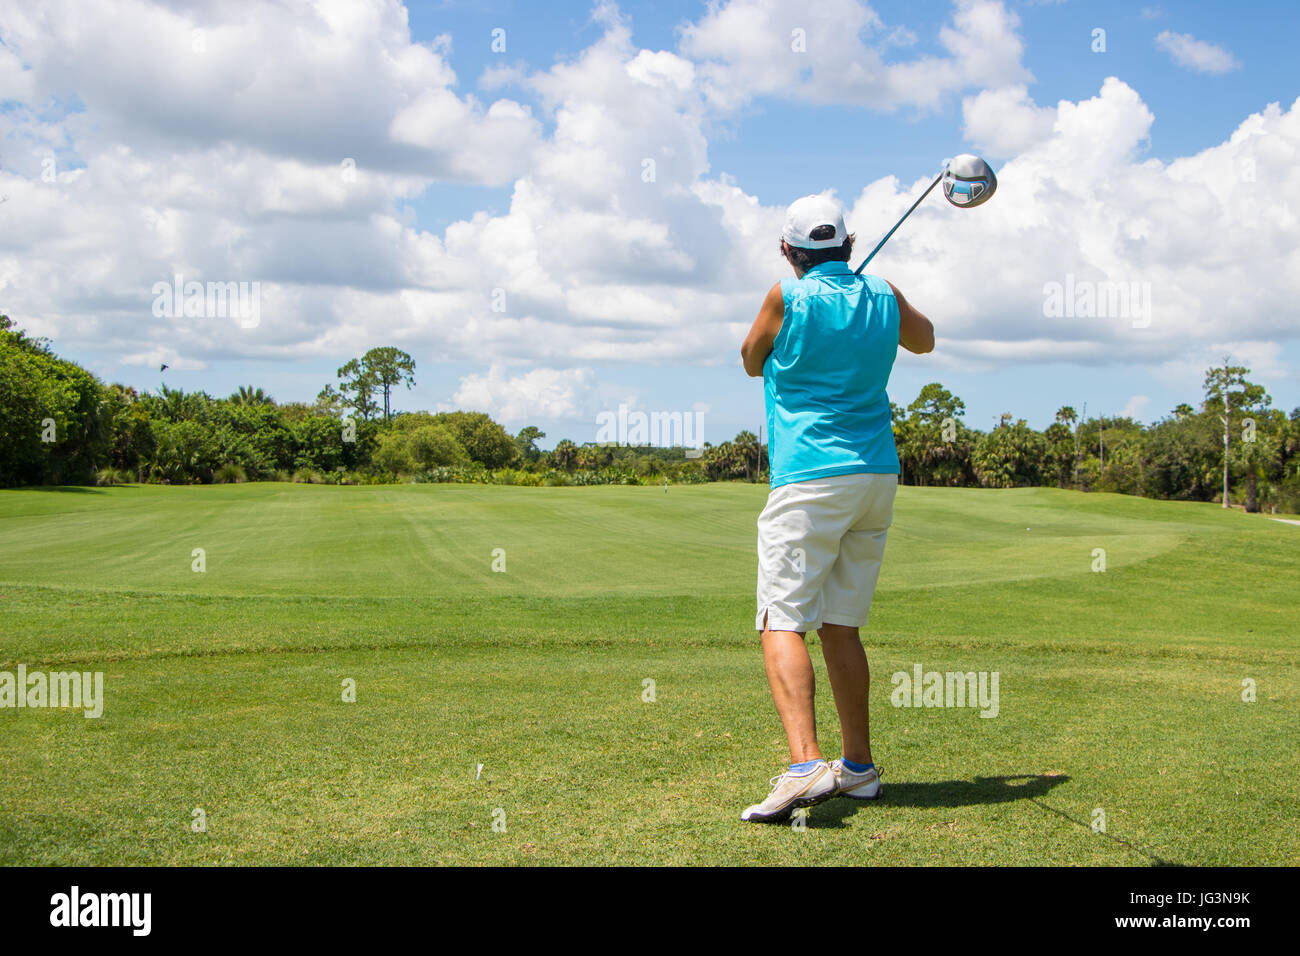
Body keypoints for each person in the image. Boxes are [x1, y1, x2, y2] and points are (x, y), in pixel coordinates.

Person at [737, 194, 935, 822]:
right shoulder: (882, 290)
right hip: (876, 474)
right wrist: (874, 298)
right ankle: (859, 769)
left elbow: (749, 361)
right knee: (841, 623)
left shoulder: (784, 295)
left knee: (782, 621)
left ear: (789, 251)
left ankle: (804, 767)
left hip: (809, 478)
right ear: (849, 245)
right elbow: (924, 341)